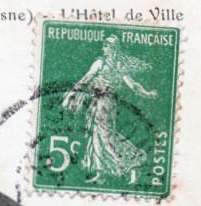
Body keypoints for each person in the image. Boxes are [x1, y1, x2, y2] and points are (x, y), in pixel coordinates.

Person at [61, 35, 158, 185]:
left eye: (106, 46)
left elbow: (86, 79)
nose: (103, 48)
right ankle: (101, 173)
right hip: (99, 101)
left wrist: (146, 93)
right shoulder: (113, 64)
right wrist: (146, 93)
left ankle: (132, 165)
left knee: (106, 137)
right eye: (104, 45)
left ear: (112, 48)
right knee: (96, 135)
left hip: (105, 102)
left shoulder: (105, 63)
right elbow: (87, 79)